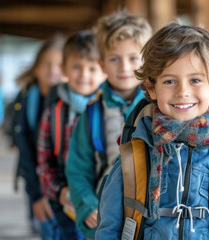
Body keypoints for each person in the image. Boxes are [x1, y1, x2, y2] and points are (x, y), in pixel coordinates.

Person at [96, 22, 209, 239]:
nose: (183, 91)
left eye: (195, 80)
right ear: (151, 87)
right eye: (169, 81)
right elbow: (108, 226)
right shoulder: (137, 152)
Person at [64, 10, 152, 239]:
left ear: (148, 61)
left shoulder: (159, 107)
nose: (124, 67)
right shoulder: (92, 115)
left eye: (133, 58)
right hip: (105, 214)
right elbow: (78, 169)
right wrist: (87, 205)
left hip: (152, 215)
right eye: (114, 59)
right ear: (102, 64)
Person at [37, 30, 106, 240]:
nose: (84, 75)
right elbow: (44, 161)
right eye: (77, 67)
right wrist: (61, 192)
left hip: (103, 201)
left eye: (92, 68)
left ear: (104, 70)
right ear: (64, 69)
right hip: (65, 201)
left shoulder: (110, 111)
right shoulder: (54, 112)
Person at [11, 35, 66, 239]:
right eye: (46, 64)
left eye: (59, 64)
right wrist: (36, 194)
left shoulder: (72, 102)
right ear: (35, 68)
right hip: (35, 176)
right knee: (43, 226)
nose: (52, 70)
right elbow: (23, 146)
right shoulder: (26, 99)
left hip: (64, 180)